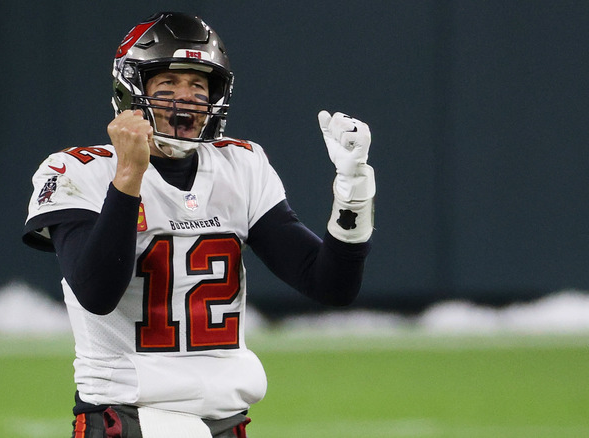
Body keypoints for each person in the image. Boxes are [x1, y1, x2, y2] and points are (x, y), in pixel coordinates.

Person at [22, 11, 375, 438]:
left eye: (197, 85)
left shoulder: (240, 164)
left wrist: (352, 199)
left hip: (225, 420)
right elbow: (97, 293)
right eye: (167, 84)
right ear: (133, 91)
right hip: (129, 415)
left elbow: (330, 284)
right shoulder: (78, 171)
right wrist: (129, 177)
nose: (184, 98)